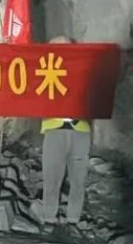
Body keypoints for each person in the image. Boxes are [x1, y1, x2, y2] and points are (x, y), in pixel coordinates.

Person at [37, 36, 90, 225]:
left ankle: (74, 218)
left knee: (79, 178)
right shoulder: (41, 73)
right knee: (51, 177)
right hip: (54, 130)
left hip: (80, 131)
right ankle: (49, 218)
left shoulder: (83, 72)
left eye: (66, 48)